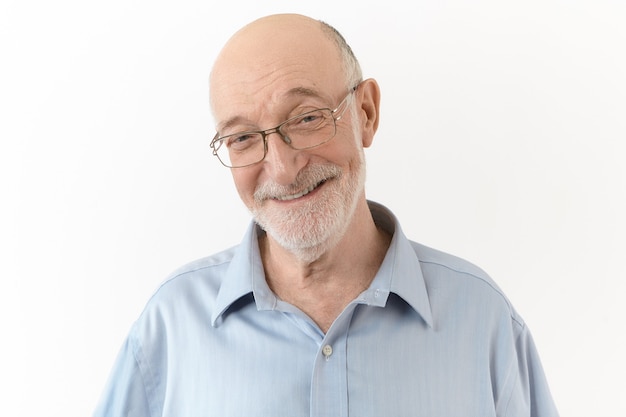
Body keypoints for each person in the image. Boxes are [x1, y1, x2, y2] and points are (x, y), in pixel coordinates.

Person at [93, 13, 559, 417]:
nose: (281, 166)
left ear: (366, 112)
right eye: (242, 138)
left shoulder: (482, 321)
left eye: (307, 118)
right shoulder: (170, 325)